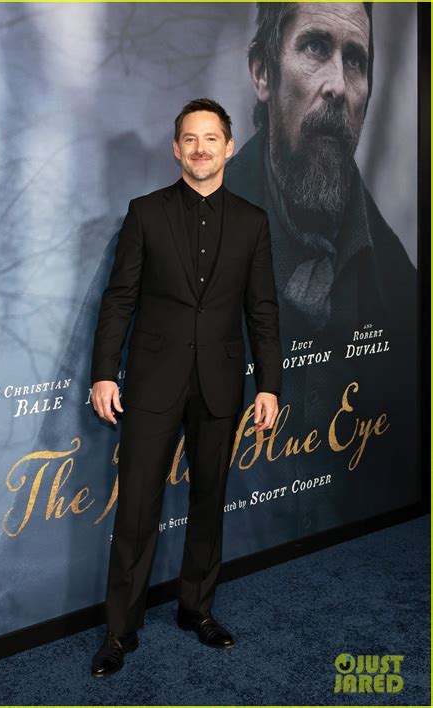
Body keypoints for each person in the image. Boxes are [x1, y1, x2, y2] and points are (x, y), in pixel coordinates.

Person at [89, 98, 282, 677]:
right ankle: (120, 633)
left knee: (207, 505)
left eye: (211, 138)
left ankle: (197, 608)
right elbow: (119, 297)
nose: (200, 148)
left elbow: (263, 311)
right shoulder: (144, 213)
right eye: (189, 140)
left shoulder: (253, 221)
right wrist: (104, 371)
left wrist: (270, 385)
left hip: (221, 384)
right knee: (137, 510)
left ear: (228, 146)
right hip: (151, 383)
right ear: (176, 150)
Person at [224, 2, 417, 532]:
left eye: (355, 60)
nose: (337, 84)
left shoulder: (404, 294)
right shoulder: (166, 252)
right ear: (264, 71)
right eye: (315, 47)